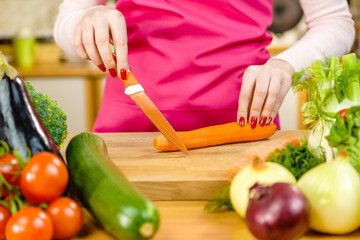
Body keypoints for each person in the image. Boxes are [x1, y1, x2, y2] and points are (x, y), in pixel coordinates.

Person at [54, 0, 355, 133]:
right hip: (130, 126)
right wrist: (85, 20)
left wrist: (284, 65)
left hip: (244, 123)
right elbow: (69, 18)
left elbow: (335, 22)